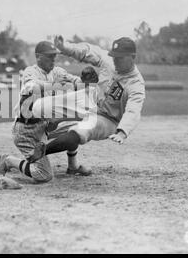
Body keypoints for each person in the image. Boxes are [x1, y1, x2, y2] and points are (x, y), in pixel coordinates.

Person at [27, 35, 146, 166]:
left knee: (79, 132)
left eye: (120, 58)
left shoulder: (136, 84)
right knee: (41, 109)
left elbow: (133, 110)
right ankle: (34, 133)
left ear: (133, 57)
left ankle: (42, 152)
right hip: (90, 101)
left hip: (107, 119)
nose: (116, 61)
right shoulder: (109, 61)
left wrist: (123, 131)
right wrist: (64, 47)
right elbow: (86, 52)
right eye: (114, 56)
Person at [0, 41, 91, 183]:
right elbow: (32, 87)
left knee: (76, 129)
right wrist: (59, 86)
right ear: (38, 57)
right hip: (26, 132)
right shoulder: (30, 71)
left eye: (54, 56)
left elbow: (75, 81)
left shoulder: (57, 71)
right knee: (43, 175)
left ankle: (73, 166)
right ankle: (8, 161)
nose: (53, 59)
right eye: (49, 56)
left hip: (44, 126)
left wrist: (85, 81)